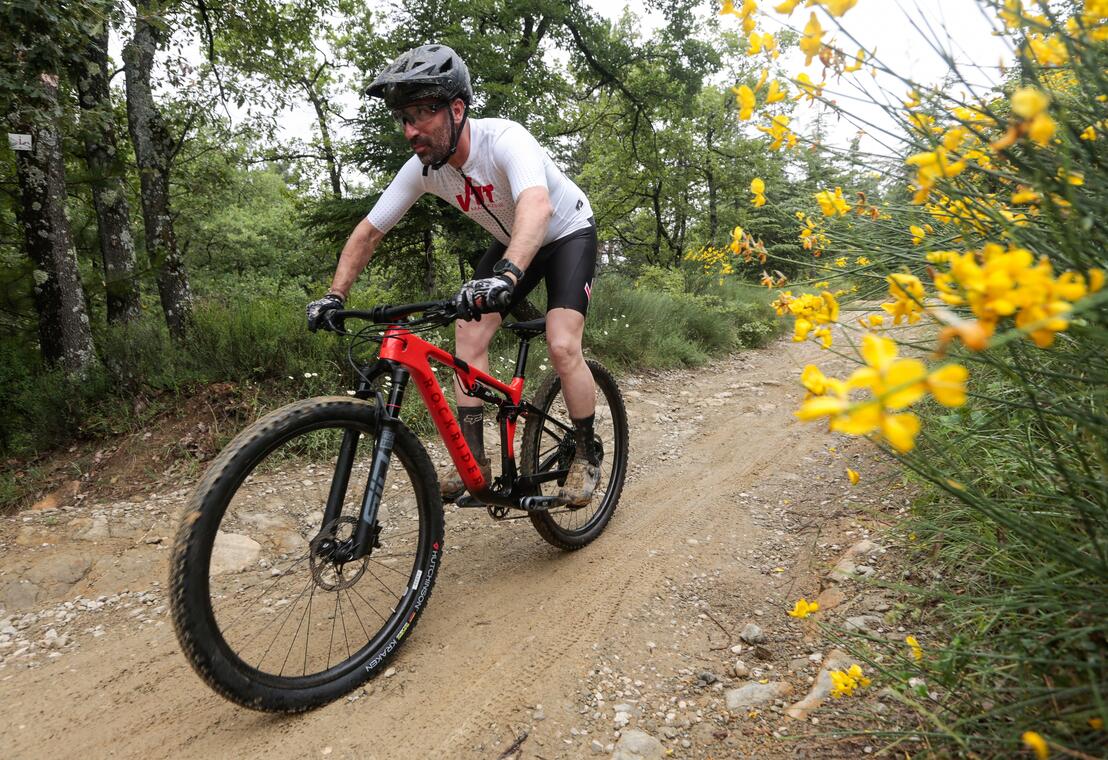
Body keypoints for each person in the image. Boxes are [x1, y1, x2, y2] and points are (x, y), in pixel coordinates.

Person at [305, 44, 601, 506]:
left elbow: (536, 206)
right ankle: (475, 462)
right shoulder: (424, 170)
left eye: (422, 114)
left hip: (565, 233)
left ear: (457, 109)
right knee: (467, 336)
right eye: (404, 118)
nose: (411, 130)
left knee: (562, 343)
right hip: (513, 240)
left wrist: (507, 274)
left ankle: (587, 452)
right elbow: (369, 231)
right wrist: (334, 294)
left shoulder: (504, 139)